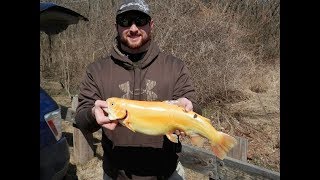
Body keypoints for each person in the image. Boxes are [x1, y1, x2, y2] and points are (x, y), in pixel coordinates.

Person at [75, 0, 201, 179]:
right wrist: (92, 115)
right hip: (116, 174)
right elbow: (81, 119)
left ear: (151, 25)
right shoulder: (97, 70)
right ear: (117, 26)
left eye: (140, 20)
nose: (133, 28)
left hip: (166, 173)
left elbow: (195, 107)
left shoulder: (175, 67)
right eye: (125, 21)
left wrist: (190, 107)